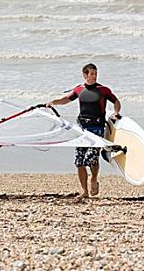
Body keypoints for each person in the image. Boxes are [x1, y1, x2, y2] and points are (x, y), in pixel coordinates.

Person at [47, 63, 121, 201]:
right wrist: (53, 102)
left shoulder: (103, 90)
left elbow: (116, 101)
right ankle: (84, 191)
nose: (94, 76)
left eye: (95, 73)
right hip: (81, 129)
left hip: (97, 128)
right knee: (79, 161)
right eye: (91, 73)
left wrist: (116, 113)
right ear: (85, 75)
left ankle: (93, 179)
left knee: (92, 159)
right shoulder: (79, 89)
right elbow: (66, 99)